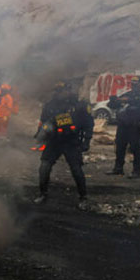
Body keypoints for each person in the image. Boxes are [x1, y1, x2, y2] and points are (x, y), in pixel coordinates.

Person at [34, 81, 94, 210]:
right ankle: (43, 193)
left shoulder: (79, 105)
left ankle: (83, 197)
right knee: (44, 167)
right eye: (58, 91)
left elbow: (89, 123)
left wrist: (86, 141)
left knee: (76, 170)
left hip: (71, 142)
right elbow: (44, 123)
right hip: (54, 141)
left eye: (63, 91)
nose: (60, 94)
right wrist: (40, 137)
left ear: (69, 90)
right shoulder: (50, 105)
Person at [106, 76, 140, 179]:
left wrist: (128, 100)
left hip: (135, 126)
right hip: (123, 125)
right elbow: (112, 105)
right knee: (120, 147)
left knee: (136, 148)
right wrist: (114, 100)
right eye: (132, 84)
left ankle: (136, 171)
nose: (134, 86)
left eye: (136, 84)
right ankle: (118, 169)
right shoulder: (127, 94)